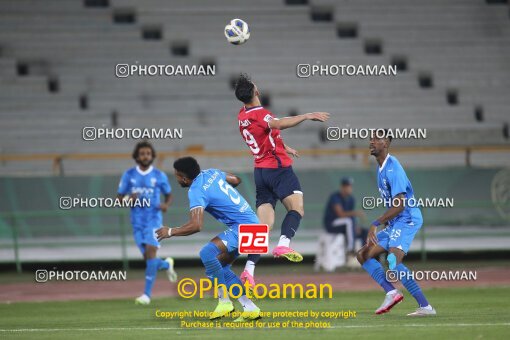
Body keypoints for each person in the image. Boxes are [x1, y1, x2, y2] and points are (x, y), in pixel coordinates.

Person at [234, 73, 330, 286]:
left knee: (262, 226)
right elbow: (277, 124)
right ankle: (284, 243)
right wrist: (306, 116)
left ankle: (249, 270)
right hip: (278, 169)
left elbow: (262, 136)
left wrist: (283, 146)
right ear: (256, 92)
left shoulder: (242, 115)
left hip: (260, 172)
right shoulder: (261, 113)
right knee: (297, 208)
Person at [156, 157, 261, 322]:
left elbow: (196, 225)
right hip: (254, 224)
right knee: (220, 266)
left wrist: (170, 231)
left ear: (184, 178)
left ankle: (224, 302)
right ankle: (250, 308)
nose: (176, 179)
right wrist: (220, 193)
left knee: (207, 253)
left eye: (177, 176)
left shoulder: (196, 190)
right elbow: (236, 179)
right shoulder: (211, 173)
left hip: (244, 228)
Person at [356, 132, 436, 316]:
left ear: (386, 144)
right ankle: (392, 292)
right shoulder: (381, 168)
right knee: (363, 254)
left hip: (407, 218)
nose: (372, 142)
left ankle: (426, 307)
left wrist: (376, 223)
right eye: (371, 139)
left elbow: (400, 205)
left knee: (393, 260)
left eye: (377, 139)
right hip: (395, 222)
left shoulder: (394, 167)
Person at [117, 140, 178, 305]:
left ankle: (146, 295)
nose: (145, 156)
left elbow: (169, 195)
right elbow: (120, 199)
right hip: (137, 222)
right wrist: (129, 198)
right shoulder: (129, 175)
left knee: (151, 252)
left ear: (152, 156)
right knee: (148, 259)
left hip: (154, 220)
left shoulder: (159, 175)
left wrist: (166, 205)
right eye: (142, 153)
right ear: (137, 156)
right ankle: (166, 264)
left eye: (148, 154)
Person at [323, 177, 365, 267]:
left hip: (344, 224)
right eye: (346, 186)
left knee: (363, 231)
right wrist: (356, 213)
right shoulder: (335, 197)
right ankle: (350, 250)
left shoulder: (351, 199)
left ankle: (365, 257)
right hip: (331, 223)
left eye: (350, 186)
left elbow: (350, 217)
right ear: (342, 187)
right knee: (349, 221)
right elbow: (341, 214)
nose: (349, 188)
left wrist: (355, 227)